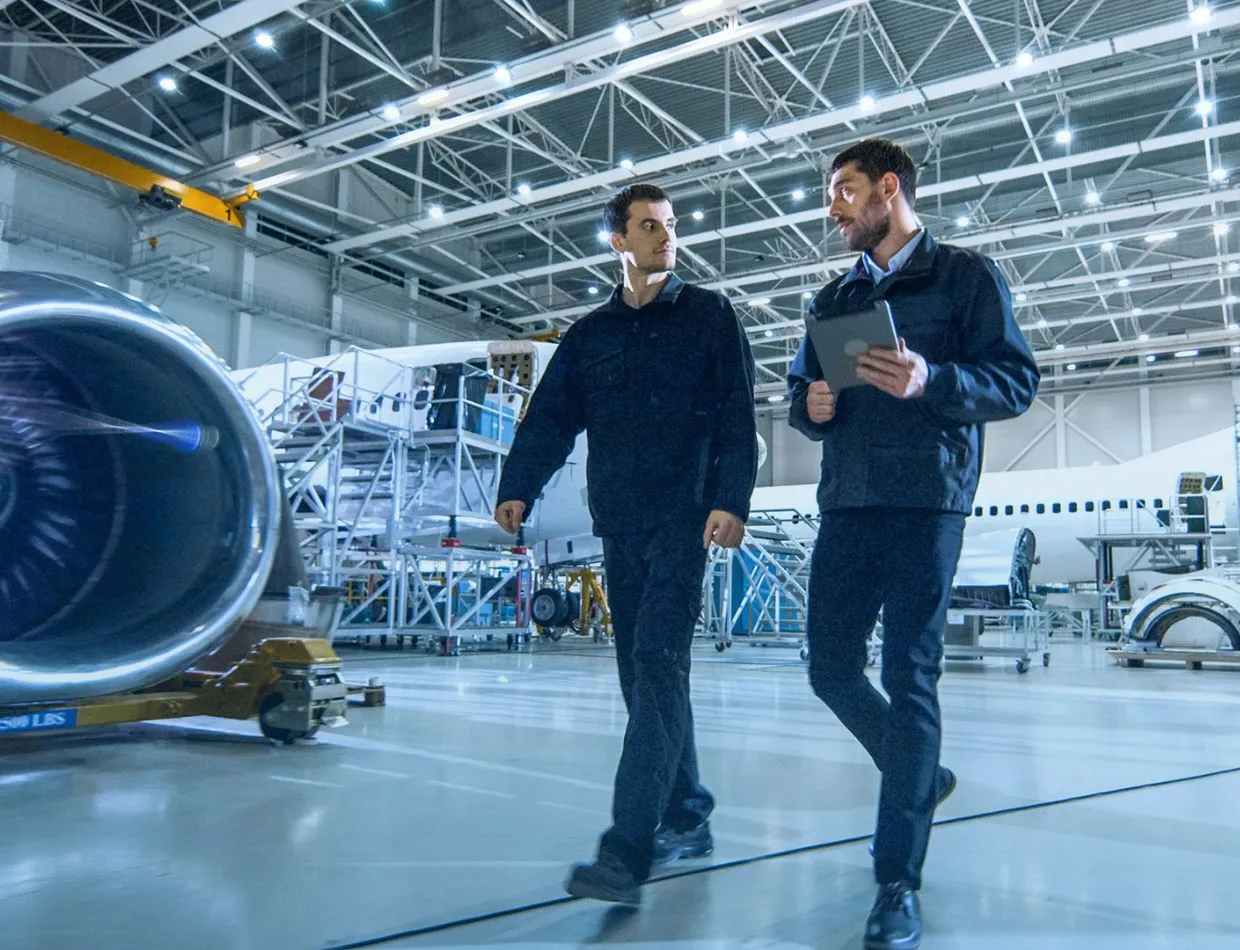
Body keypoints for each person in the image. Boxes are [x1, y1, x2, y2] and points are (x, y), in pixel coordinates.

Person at [787, 139, 1040, 950]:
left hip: (928, 502)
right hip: (850, 500)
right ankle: (920, 777)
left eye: (842, 192)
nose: (833, 208)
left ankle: (896, 880)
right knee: (829, 666)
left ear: (886, 190)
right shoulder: (832, 297)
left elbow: (1014, 381)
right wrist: (812, 406)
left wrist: (934, 380)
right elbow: (799, 394)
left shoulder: (966, 277)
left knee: (909, 674)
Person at [494, 182, 759, 905]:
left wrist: (732, 498)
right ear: (619, 242)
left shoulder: (709, 317)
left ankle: (626, 849)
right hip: (620, 522)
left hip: (682, 520)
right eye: (649, 226)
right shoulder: (591, 336)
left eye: (671, 225)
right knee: (644, 680)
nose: (665, 236)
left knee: (658, 665)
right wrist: (519, 484)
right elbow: (549, 420)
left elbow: (739, 416)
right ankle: (688, 812)